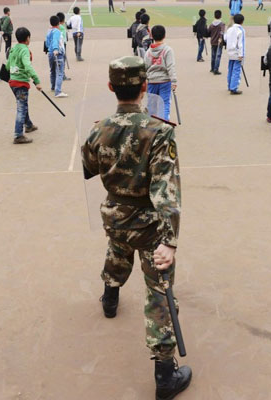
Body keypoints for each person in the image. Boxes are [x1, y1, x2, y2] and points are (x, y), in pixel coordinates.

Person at [81, 55, 192, 400]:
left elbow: (88, 167)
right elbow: (166, 191)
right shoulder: (159, 132)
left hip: (114, 213)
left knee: (117, 252)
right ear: (145, 87)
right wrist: (170, 241)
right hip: (148, 223)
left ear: (112, 87)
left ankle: (110, 298)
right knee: (158, 289)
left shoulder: (99, 128)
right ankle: (164, 374)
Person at [6, 27, 42, 144]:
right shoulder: (25, 50)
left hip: (12, 81)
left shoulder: (13, 49)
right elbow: (27, 66)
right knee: (21, 108)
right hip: (20, 83)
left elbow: (7, 65)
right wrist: (36, 80)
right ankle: (18, 135)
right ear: (27, 39)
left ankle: (29, 125)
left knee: (23, 104)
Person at [145, 25, 177, 120]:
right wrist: (174, 81)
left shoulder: (148, 52)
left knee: (152, 105)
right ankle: (164, 123)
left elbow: (145, 67)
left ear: (152, 36)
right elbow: (171, 67)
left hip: (152, 81)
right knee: (165, 103)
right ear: (164, 35)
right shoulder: (168, 50)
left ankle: (151, 125)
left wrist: (145, 80)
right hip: (164, 81)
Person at [46, 15, 68, 98]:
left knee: (52, 71)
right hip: (57, 53)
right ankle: (58, 91)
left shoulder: (49, 31)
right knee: (59, 73)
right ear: (59, 23)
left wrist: (50, 48)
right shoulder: (57, 31)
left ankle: (53, 86)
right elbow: (55, 40)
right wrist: (55, 49)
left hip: (50, 53)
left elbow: (47, 42)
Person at [226, 13, 245, 95]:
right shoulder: (241, 30)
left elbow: (225, 38)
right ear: (242, 21)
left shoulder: (229, 29)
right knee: (236, 71)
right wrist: (241, 55)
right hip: (237, 53)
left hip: (230, 52)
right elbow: (241, 44)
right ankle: (233, 88)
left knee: (230, 69)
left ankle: (229, 85)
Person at [208, 10, 226, 74]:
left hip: (213, 42)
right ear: (220, 16)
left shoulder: (211, 24)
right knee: (218, 56)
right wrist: (221, 38)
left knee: (213, 56)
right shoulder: (222, 24)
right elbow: (222, 32)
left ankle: (212, 68)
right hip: (219, 42)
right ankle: (216, 69)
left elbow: (208, 32)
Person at [57, 12, 71, 81]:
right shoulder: (62, 28)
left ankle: (59, 74)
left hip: (57, 46)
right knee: (62, 61)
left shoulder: (56, 27)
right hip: (62, 46)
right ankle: (62, 75)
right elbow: (63, 39)